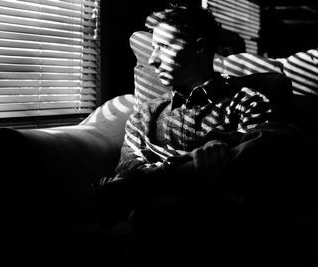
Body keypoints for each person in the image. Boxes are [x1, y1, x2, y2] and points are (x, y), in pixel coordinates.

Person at [91, 4, 303, 267]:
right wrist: (189, 167)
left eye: (164, 47)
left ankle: (156, 181)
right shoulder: (146, 114)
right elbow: (128, 168)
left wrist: (221, 142)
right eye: (154, 47)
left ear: (199, 48)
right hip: (170, 206)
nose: (153, 59)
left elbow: (262, 156)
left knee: (284, 136)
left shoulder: (247, 99)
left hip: (229, 200)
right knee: (166, 204)